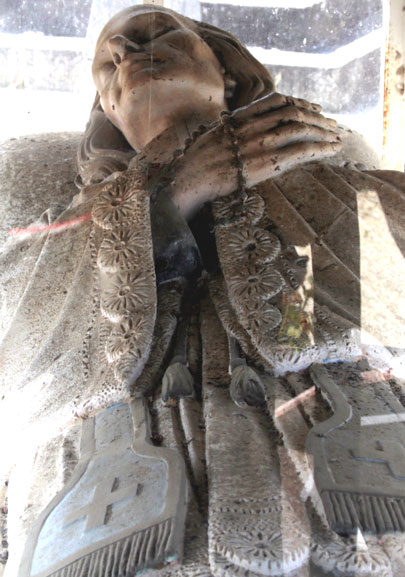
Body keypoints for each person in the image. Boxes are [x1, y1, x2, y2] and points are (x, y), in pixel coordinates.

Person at [1, 5, 404, 577]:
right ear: (109, 110)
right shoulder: (51, 238)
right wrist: (178, 187)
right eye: (107, 61)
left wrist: (287, 197)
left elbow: (337, 325)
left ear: (228, 72)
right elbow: (24, 368)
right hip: (116, 516)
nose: (126, 54)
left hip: (350, 484)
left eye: (157, 33)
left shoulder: (349, 187)